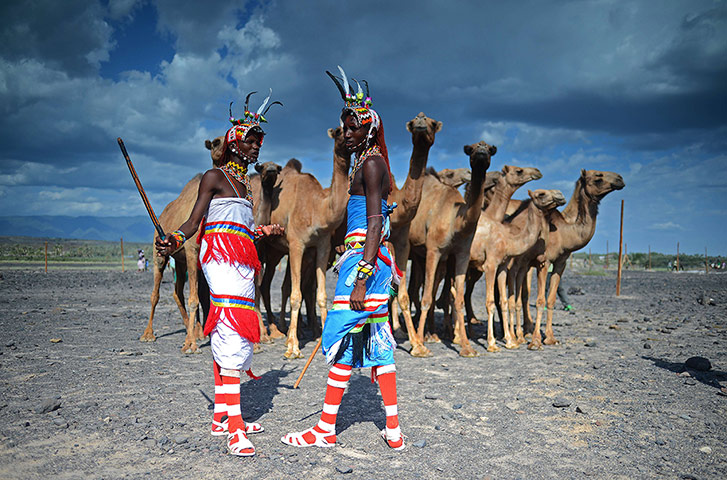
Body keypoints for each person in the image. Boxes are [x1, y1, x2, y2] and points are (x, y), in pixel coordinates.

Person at [282, 67, 404, 450]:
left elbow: (372, 222)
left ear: (368, 129)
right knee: (375, 340)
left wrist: (363, 273)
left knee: (337, 334)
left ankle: (324, 429)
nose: (345, 133)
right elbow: (370, 222)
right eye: (343, 127)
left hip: (365, 265)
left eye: (352, 127)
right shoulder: (370, 163)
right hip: (372, 258)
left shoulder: (370, 165)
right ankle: (395, 432)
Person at [156, 90, 283, 457]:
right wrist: (175, 239)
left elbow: (236, 225)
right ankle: (236, 428)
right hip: (220, 261)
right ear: (233, 142)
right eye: (250, 139)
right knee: (230, 330)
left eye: (260, 139)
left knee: (235, 330)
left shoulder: (246, 188)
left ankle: (220, 416)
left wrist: (263, 231)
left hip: (243, 262)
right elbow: (197, 222)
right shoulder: (214, 176)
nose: (257, 145)